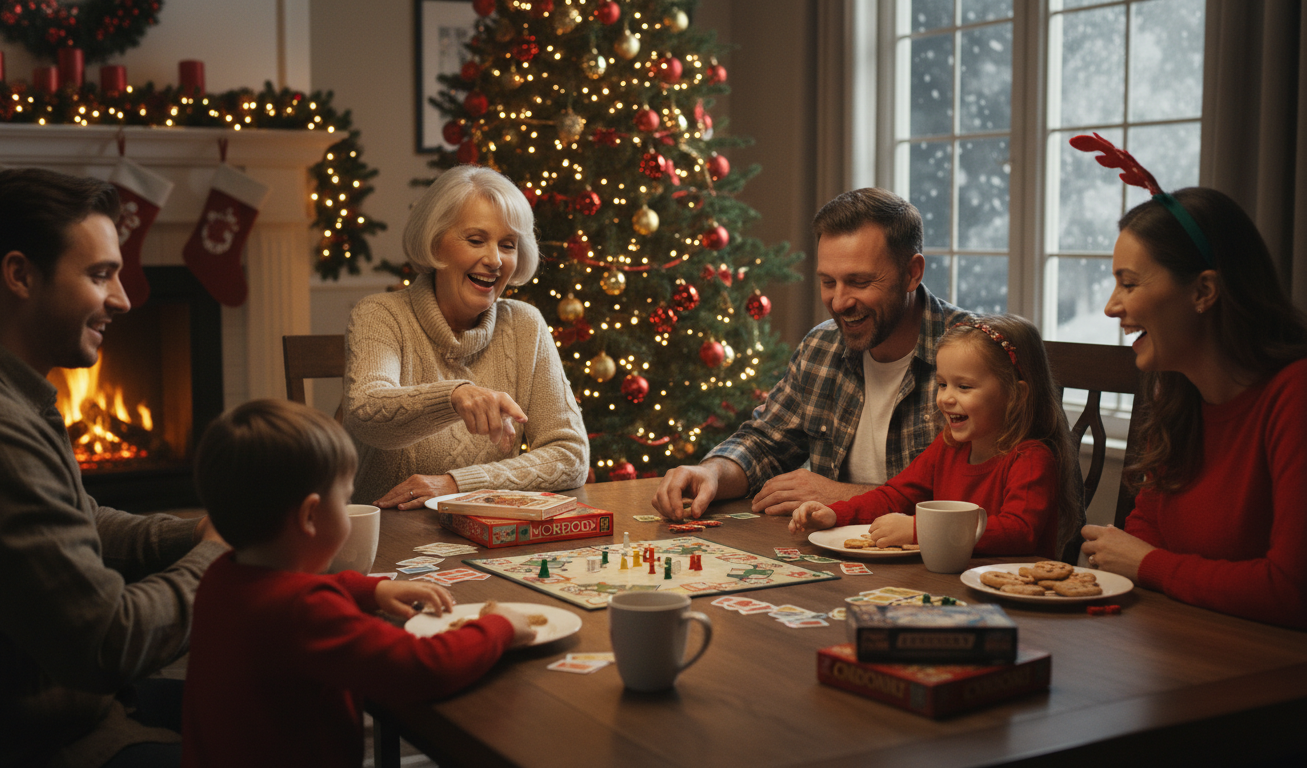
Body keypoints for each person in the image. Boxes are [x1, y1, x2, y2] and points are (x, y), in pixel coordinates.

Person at [0, 168, 229, 767]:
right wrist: (214, 556)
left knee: (279, 695)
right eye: (99, 274)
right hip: (38, 736)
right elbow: (109, 641)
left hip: (76, 707)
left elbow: (81, 521)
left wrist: (198, 533)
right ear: (20, 275)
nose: (124, 299)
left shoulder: (6, 389)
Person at [181, 399, 535, 767]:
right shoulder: (307, 612)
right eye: (346, 500)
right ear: (310, 516)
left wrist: (372, 589)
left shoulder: (221, 576)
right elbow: (420, 668)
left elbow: (286, 589)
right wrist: (500, 627)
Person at [653, 187, 971, 520]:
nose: (838, 302)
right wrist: (712, 473)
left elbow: (989, 499)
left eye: (859, 281)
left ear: (912, 273)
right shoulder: (821, 346)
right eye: (828, 282)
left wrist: (841, 496)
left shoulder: (982, 353)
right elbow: (764, 444)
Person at [1079, 186, 1307, 629]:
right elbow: (1144, 535)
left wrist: (1150, 566)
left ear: (1203, 290)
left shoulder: (1294, 396)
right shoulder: (1180, 399)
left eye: (1128, 283)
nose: (1111, 306)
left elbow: (1291, 591)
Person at [344, 164, 588, 508]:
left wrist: (458, 484)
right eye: (476, 240)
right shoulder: (381, 314)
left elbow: (570, 455)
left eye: (508, 245)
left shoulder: (525, 324)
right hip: (387, 531)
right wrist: (454, 396)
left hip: (490, 534)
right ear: (435, 244)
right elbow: (367, 414)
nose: (495, 260)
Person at [790, 315, 1084, 560]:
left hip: (1013, 604)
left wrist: (921, 531)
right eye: (942, 384)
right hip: (949, 587)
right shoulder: (949, 446)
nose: (945, 399)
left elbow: (1017, 532)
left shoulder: (1031, 459)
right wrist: (834, 514)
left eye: (964, 387)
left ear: (1015, 395)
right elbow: (895, 496)